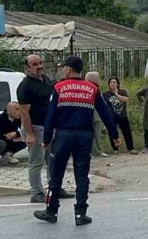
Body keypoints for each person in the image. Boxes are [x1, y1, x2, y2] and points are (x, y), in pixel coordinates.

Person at [34, 56, 117, 225]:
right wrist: (114, 135)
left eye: (64, 67)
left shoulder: (58, 87)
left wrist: (47, 138)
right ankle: (81, 214)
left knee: (56, 175)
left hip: (63, 136)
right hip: (84, 137)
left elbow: (50, 116)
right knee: (82, 176)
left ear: (69, 69)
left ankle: (51, 211)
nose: (62, 70)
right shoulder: (93, 89)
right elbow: (105, 113)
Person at [18, 54, 72, 203]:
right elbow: (24, 112)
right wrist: (30, 134)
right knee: (36, 161)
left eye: (40, 63)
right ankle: (36, 193)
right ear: (27, 68)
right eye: (35, 64)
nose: (39, 66)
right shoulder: (26, 86)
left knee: (53, 160)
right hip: (35, 128)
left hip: (49, 128)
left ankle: (55, 188)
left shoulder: (45, 80)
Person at [86, 71, 119, 157]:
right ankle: (89, 151)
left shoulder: (97, 89)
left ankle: (98, 151)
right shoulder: (87, 89)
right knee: (89, 133)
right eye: (97, 78)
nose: (99, 80)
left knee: (97, 133)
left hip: (98, 115)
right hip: (90, 114)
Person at [103, 77, 137, 155]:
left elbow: (126, 100)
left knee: (127, 132)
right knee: (112, 133)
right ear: (108, 84)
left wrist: (116, 94)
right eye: (111, 82)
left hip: (122, 115)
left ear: (118, 83)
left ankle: (131, 148)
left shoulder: (123, 91)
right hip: (112, 116)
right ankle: (115, 149)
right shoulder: (105, 94)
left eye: (114, 82)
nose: (112, 83)